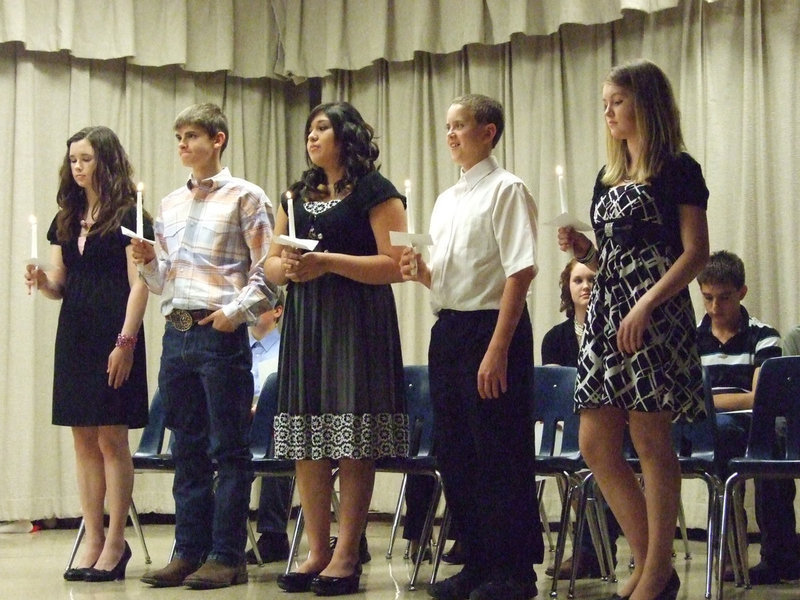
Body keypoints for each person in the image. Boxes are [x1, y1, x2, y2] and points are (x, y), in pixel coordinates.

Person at [557, 59, 710, 600]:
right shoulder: (608, 174)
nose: (607, 112)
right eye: (604, 103)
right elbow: (614, 256)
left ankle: (654, 572)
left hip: (655, 313)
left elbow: (694, 253)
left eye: (616, 101)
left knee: (650, 440)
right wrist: (585, 253)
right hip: (607, 313)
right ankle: (653, 565)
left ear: (644, 102)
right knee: (596, 441)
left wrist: (647, 304)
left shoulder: (678, 168)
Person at [401, 93, 543, 600]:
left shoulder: (507, 189)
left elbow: (520, 270)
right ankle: (477, 561)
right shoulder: (446, 199)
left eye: (461, 125)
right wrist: (422, 275)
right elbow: (449, 280)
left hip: (493, 329)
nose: (451, 136)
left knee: (499, 449)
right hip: (451, 330)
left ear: (489, 132)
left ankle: (514, 570)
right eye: (447, 127)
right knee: (455, 450)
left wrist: (499, 347)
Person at [264, 101, 408, 597]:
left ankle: (348, 551)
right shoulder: (295, 193)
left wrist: (327, 262)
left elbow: (395, 264)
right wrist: (291, 268)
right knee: (308, 434)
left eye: (322, 127)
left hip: (357, 319)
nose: (312, 136)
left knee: (350, 433)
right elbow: (271, 265)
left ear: (347, 135)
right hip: (307, 320)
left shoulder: (376, 190)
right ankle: (316, 549)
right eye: (309, 129)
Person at [132, 103, 275, 589]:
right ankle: (188, 550)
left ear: (218, 139)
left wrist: (233, 316)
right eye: (178, 136)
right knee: (187, 448)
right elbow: (162, 280)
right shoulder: (170, 205)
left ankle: (227, 554)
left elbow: (268, 273)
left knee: (229, 448)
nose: (183, 145)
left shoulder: (247, 197)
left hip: (219, 331)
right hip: (177, 330)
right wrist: (148, 262)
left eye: (192, 135)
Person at [24, 126, 152, 582]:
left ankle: (117, 541)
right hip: (75, 334)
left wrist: (126, 342)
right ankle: (93, 535)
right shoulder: (69, 213)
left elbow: (140, 285)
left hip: (113, 332)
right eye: (73, 159)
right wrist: (43, 282)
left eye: (86, 159)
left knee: (111, 438)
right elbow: (61, 284)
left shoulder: (131, 215)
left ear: (106, 161)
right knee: (82, 439)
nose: (78, 167)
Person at [696, 250, 800, 584]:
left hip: (756, 425)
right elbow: (686, 395)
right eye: (708, 298)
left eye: (724, 298)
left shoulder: (763, 335)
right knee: (719, 440)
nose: (715, 308)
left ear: (741, 292)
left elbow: (760, 398)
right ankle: (730, 553)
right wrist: (720, 403)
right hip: (712, 429)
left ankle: (779, 555)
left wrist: (709, 400)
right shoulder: (691, 338)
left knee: (769, 450)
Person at [541, 259, 622, 579]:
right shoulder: (554, 338)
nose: (586, 286)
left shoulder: (617, 329)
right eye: (578, 280)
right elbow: (553, 396)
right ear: (568, 288)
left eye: (592, 279)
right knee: (577, 456)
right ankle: (596, 550)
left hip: (614, 424)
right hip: (567, 425)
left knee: (596, 458)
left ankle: (593, 552)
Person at [245, 289, 294, 564]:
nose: (250, 312)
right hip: (240, 425)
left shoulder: (289, 348)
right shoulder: (236, 350)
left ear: (277, 311)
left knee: (279, 440)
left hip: (275, 424)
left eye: (258, 305)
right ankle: (212, 536)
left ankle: (273, 536)